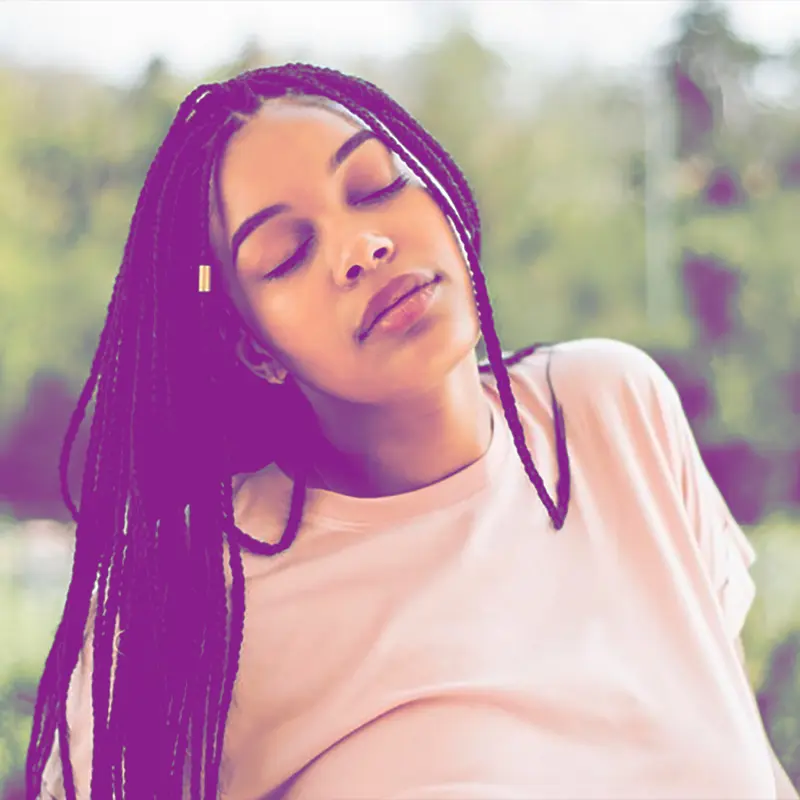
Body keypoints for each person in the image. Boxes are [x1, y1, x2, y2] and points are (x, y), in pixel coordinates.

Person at [25, 62, 795, 800]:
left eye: (377, 185)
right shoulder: (190, 594)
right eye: (288, 253)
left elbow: (752, 767)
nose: (362, 247)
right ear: (253, 346)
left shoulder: (614, 408)